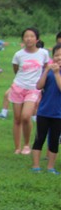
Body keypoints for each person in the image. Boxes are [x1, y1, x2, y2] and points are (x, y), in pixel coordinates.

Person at [0, 28, 51, 153]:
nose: (29, 39)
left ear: (37, 39)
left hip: (33, 89)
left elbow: (45, 69)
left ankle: (27, 144)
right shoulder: (18, 55)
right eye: (26, 36)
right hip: (18, 87)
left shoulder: (43, 53)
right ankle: (17, 147)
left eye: (32, 36)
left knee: (26, 116)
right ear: (23, 39)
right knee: (17, 119)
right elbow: (16, 70)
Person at [30, 44, 61, 174]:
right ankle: (36, 166)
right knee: (39, 138)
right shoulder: (48, 71)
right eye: (57, 55)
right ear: (52, 57)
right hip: (43, 111)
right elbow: (38, 86)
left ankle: (50, 167)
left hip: (58, 114)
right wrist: (47, 71)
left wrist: (56, 73)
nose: (59, 58)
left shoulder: (57, 73)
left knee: (54, 140)